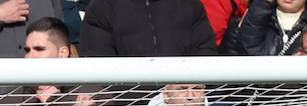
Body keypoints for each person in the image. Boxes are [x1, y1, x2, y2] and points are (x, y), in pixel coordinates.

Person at [77, 0, 218, 56]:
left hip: (184, 105)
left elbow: (205, 51)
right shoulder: (102, 8)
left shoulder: (190, 4)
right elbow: (99, 68)